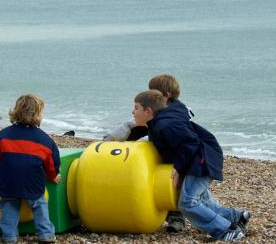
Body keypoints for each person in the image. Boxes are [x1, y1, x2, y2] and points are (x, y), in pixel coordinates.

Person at [133, 89, 250, 242]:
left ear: (148, 111)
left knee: (187, 203)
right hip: (198, 159)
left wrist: (178, 167)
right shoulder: (158, 124)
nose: (132, 112)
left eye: (136, 108)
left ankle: (226, 230)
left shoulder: (165, 125)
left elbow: (191, 142)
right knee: (200, 201)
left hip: (202, 161)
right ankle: (236, 217)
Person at [103, 74, 190, 232]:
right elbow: (138, 126)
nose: (151, 95)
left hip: (175, 155)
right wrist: (109, 142)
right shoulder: (159, 111)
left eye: (153, 91)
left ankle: (176, 218)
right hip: (161, 148)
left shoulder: (176, 113)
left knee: (174, 185)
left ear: (166, 95)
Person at [0, 94, 61, 244]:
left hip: (8, 180)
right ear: (39, 115)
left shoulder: (2, 136)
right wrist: (52, 176)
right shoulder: (46, 141)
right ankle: (46, 234)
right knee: (39, 205)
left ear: (16, 111)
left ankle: (10, 237)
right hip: (32, 181)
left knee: (8, 205)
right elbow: (52, 163)